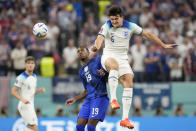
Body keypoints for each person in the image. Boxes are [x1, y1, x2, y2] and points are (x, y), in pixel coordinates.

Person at [91, 5, 178, 129]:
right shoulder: (106, 26)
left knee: (129, 82)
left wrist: (163, 45)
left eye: (116, 19)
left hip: (123, 59)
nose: (114, 21)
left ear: (122, 17)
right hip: (108, 56)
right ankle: (113, 99)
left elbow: (148, 34)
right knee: (114, 66)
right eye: (112, 19)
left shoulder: (131, 26)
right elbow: (99, 38)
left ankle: (125, 119)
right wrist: (97, 46)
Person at [66, 47, 109, 131]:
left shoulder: (98, 60)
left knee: (90, 126)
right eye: (78, 51)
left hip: (100, 97)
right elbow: (87, 90)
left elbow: (110, 73)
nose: (80, 52)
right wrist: (75, 98)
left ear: (88, 53)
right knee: (79, 126)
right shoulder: (81, 72)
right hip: (89, 99)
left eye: (82, 50)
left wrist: (105, 74)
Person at [11, 56, 45, 131]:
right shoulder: (21, 77)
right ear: (25, 65)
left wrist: (39, 91)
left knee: (34, 128)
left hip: (31, 105)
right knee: (34, 128)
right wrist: (22, 99)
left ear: (34, 65)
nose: (30, 65)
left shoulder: (34, 76)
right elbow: (13, 91)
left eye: (32, 63)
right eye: (28, 63)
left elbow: (32, 91)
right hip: (24, 105)